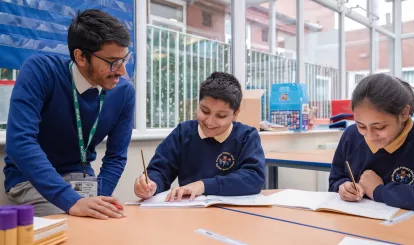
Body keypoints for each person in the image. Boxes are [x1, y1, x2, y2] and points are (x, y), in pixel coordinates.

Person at [3, 9, 135, 219]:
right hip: (31, 181)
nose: (122, 71)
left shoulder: (124, 92)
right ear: (81, 57)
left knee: (115, 222)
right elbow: (19, 142)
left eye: (124, 59)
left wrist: (97, 201)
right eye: (113, 62)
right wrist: (72, 201)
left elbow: (116, 157)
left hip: (84, 181)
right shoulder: (41, 71)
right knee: (74, 226)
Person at [133, 72, 265, 201]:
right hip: (191, 214)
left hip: (234, 215)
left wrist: (202, 186)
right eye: (205, 111)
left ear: (235, 114)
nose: (209, 122)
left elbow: (254, 178)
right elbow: (160, 170)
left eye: (221, 116)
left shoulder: (246, 136)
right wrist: (151, 184)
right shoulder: (183, 133)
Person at [329, 73, 414, 214]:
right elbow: (335, 181)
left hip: (410, 230)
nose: (369, 136)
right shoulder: (351, 135)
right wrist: (343, 188)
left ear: (404, 113)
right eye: (361, 126)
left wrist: (378, 191)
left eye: (379, 127)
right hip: (357, 227)